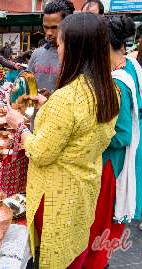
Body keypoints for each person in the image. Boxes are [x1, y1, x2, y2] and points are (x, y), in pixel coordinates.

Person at [6, 13, 119, 268]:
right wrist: (47, 105)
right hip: (84, 186)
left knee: (55, 253)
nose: (57, 49)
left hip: (57, 193)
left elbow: (41, 152)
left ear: (74, 49)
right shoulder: (109, 89)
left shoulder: (67, 98)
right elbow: (82, 130)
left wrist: (19, 125)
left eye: (60, 43)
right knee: (74, 247)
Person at [83, 16, 142, 269]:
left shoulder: (117, 81)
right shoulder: (131, 66)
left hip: (110, 165)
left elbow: (122, 134)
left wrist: (86, 137)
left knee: (100, 224)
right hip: (119, 160)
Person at [27, 0, 74, 93]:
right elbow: (28, 85)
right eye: (46, 27)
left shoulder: (76, 57)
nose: (48, 33)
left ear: (67, 25)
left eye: (54, 27)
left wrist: (51, 97)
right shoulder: (36, 54)